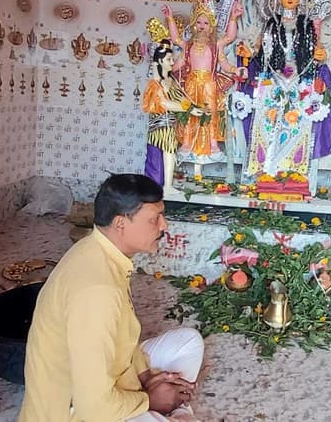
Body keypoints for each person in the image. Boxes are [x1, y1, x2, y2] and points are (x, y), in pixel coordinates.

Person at [20, 174, 205, 422]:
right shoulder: (97, 291)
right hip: (77, 412)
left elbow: (125, 337)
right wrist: (149, 399)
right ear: (120, 224)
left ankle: (169, 408)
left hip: (113, 378)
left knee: (189, 342)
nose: (164, 226)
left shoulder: (100, 250)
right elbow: (93, 409)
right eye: (154, 219)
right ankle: (165, 409)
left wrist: (146, 376)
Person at [237, 0, 331, 185]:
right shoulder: (271, 24)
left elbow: (316, 54)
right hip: (273, 81)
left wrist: (321, 55)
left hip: (299, 82)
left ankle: (293, 173)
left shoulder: (306, 26)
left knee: (297, 123)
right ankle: (265, 171)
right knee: (268, 122)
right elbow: (260, 52)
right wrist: (248, 54)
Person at [162, 0, 245, 163]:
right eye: (199, 22)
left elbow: (229, 39)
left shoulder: (216, 45)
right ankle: (186, 144)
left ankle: (213, 146)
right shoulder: (188, 46)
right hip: (191, 84)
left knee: (211, 113)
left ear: (211, 26)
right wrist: (170, 18)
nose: (202, 26)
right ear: (194, 24)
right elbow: (176, 41)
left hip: (209, 85)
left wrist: (233, 18)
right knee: (188, 113)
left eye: (206, 23)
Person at [142, 41, 187, 195]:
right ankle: (165, 186)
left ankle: (167, 185)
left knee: (170, 152)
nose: (172, 62)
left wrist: (194, 107)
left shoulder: (171, 81)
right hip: (160, 125)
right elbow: (164, 103)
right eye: (168, 59)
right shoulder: (155, 83)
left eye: (172, 59)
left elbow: (182, 98)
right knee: (166, 152)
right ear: (160, 62)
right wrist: (186, 107)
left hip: (170, 124)